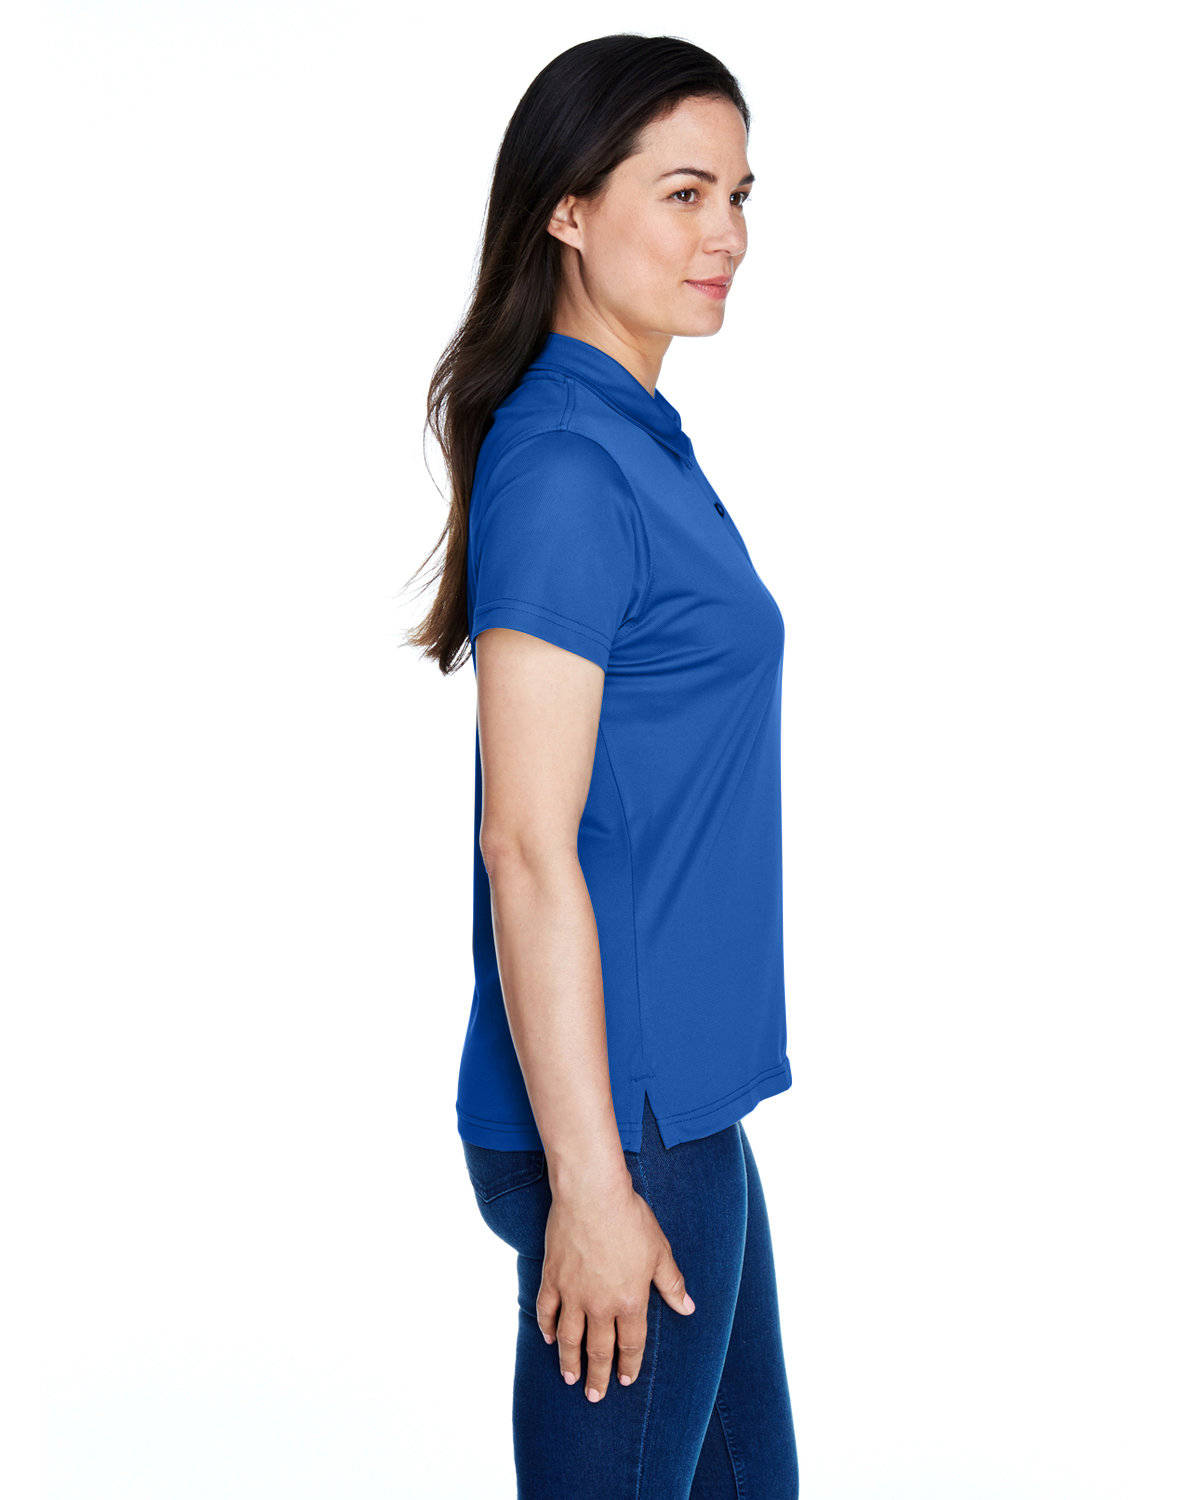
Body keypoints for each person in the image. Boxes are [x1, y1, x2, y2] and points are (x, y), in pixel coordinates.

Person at [407, 33, 800, 1500]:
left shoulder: (636, 440)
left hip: (680, 1108)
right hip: (620, 1128)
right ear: (566, 208)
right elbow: (526, 841)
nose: (728, 235)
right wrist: (589, 1184)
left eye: (741, 195)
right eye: (684, 193)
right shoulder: (569, 466)